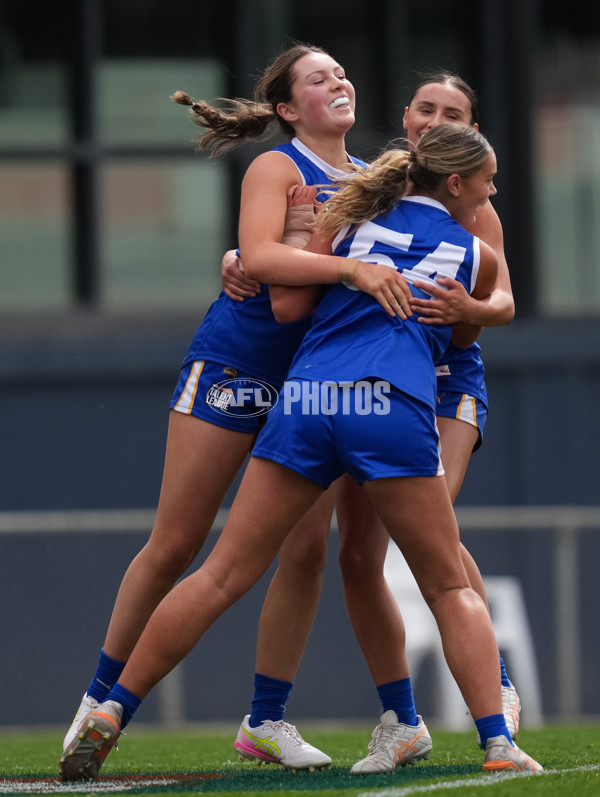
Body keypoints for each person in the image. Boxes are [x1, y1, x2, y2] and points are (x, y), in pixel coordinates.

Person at [59, 123, 544, 783]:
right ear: (455, 184)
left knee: (222, 572)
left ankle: (113, 708)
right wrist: (471, 308)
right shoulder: (475, 254)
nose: (493, 192)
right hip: (390, 406)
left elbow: (287, 305)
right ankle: (498, 742)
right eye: (488, 181)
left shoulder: (348, 217)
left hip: (306, 398)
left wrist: (254, 257)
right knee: (449, 583)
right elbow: (463, 340)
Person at [60, 42, 413, 774]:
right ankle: (95, 701)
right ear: (287, 107)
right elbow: (257, 259)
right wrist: (334, 264)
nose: (338, 80)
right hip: (238, 364)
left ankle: (266, 719)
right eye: (318, 77)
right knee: (177, 541)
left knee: (306, 552)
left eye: (341, 71)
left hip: (311, 381)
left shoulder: (372, 180)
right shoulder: (278, 166)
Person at [224, 71, 521, 775]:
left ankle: (495, 691)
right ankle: (401, 720)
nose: (435, 120)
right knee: (355, 556)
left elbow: (501, 299)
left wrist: (470, 311)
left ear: (469, 131)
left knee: (431, 542)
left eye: (452, 113)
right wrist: (244, 257)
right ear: (407, 116)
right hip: (364, 385)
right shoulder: (369, 184)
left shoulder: (472, 201)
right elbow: (296, 264)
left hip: (441, 382)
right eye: (426, 108)